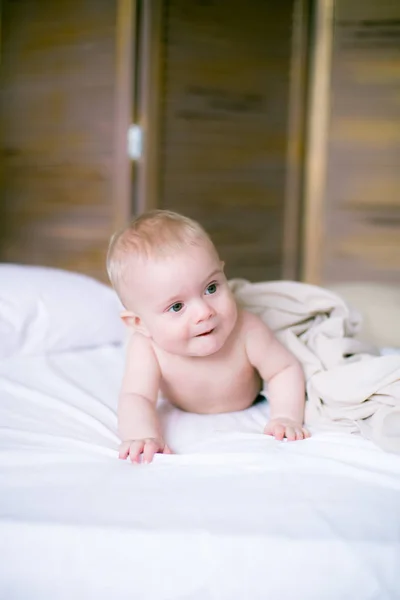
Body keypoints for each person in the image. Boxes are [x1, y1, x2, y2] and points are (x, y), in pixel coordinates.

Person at [107, 210, 309, 463]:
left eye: (211, 288)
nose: (204, 312)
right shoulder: (147, 346)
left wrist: (285, 416)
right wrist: (143, 435)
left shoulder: (246, 330)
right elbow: (137, 397)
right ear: (139, 323)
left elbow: (284, 369)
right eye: (177, 307)